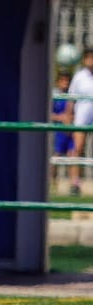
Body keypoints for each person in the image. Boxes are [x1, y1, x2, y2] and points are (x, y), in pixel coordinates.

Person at [67, 48, 93, 196]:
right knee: (76, 149)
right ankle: (74, 184)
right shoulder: (79, 76)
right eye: (89, 58)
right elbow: (70, 99)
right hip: (81, 118)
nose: (91, 61)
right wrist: (68, 118)